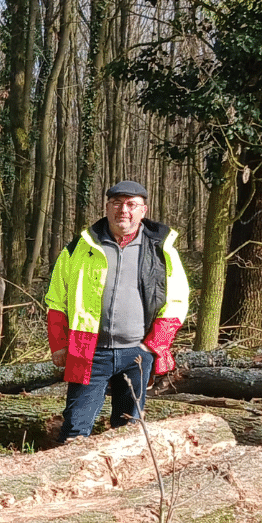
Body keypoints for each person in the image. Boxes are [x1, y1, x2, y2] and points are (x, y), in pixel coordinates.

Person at [44, 180, 190, 441]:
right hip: (89, 351)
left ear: (143, 210)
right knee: (75, 429)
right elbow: (56, 300)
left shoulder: (161, 250)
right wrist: (59, 344)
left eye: (132, 205)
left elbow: (177, 300)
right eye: (117, 203)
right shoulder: (79, 247)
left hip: (137, 352)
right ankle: (73, 480)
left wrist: (153, 346)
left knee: (129, 432)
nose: (124, 210)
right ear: (108, 207)